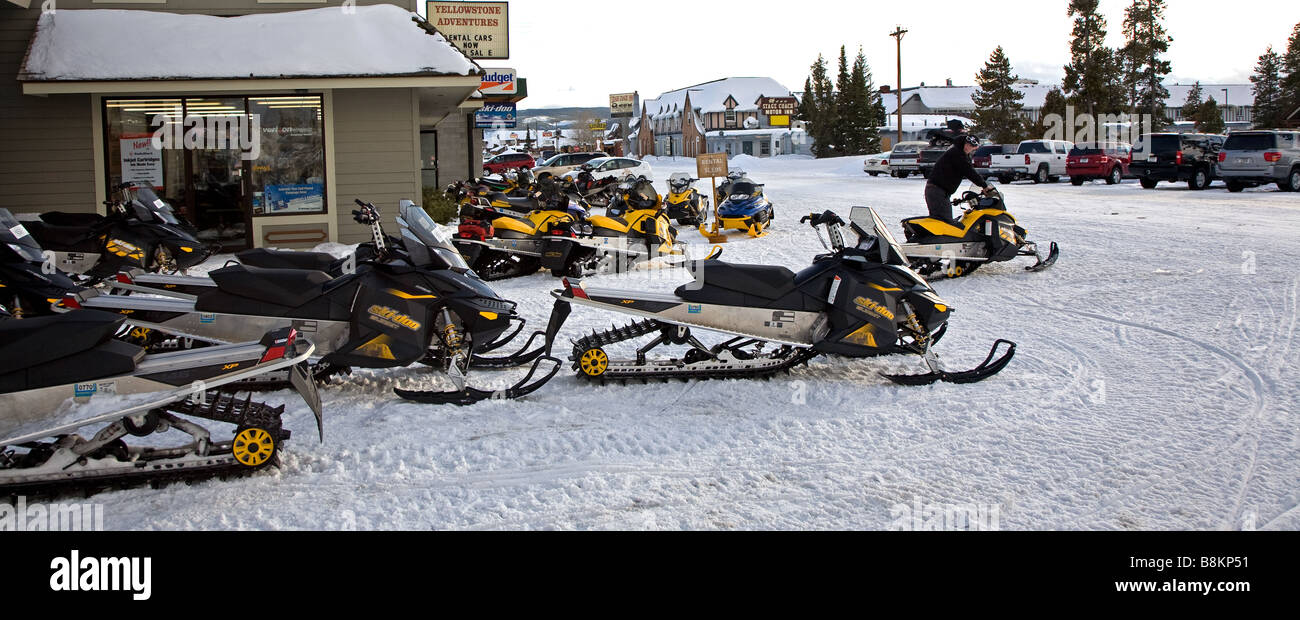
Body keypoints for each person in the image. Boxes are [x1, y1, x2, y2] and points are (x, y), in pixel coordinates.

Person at [925, 134, 995, 224]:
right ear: (964, 143)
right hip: (938, 191)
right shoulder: (958, 154)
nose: (968, 147)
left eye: (971, 146)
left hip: (939, 191)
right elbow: (969, 171)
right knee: (945, 222)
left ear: (975, 148)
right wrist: (984, 185)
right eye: (967, 144)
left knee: (940, 221)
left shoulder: (958, 152)